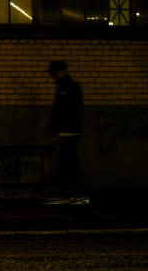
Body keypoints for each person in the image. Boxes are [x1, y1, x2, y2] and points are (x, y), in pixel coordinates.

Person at [45, 60, 87, 204]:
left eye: (54, 73)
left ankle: (75, 194)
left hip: (69, 132)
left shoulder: (71, 88)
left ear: (61, 71)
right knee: (67, 163)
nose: (53, 77)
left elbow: (72, 111)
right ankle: (71, 193)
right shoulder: (63, 88)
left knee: (69, 163)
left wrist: (64, 129)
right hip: (66, 132)